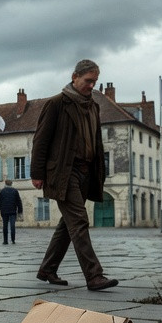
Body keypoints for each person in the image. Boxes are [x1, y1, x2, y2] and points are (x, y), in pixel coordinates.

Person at [30, 59, 118, 291]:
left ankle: (48, 268)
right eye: (88, 81)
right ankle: (94, 275)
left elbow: (96, 142)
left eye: (95, 82)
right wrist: (37, 173)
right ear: (74, 77)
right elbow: (41, 140)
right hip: (63, 172)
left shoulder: (93, 107)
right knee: (79, 221)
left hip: (85, 173)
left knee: (67, 224)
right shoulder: (57, 104)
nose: (92, 86)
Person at [0, 179, 23, 244]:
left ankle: (5, 241)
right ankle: (13, 240)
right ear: (11, 184)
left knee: (5, 226)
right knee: (12, 226)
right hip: (13, 211)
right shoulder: (15, 191)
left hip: (4, 211)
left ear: (5, 184)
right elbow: (19, 201)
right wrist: (20, 211)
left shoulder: (2, 191)